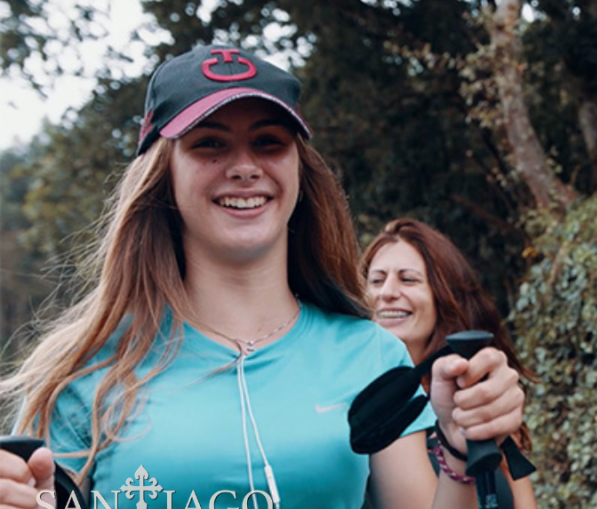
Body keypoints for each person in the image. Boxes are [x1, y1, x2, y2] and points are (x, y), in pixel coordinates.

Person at [0, 44, 524, 509]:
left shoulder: (370, 354)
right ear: (164, 173)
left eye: (269, 141)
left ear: (298, 170)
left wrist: (460, 444)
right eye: (210, 144)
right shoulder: (85, 372)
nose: (245, 166)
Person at [359, 218, 538, 509]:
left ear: (443, 297)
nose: (387, 292)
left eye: (408, 279)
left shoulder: (478, 397)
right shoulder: (352, 406)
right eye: (376, 280)